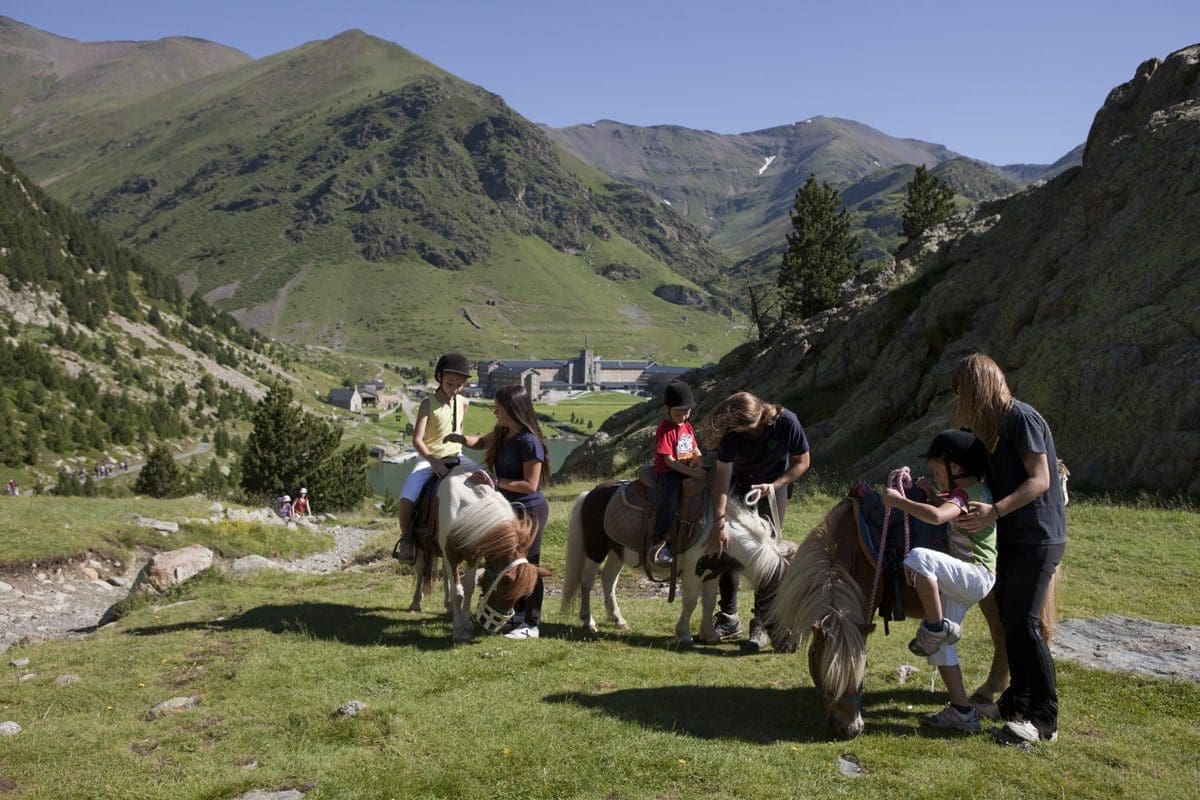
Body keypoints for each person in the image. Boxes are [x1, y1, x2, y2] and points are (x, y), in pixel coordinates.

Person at [953, 353, 1066, 745]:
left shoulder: (1023, 420)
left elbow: (1040, 479)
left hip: (1039, 535)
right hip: (1013, 536)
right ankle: (1016, 700)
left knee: (1025, 624)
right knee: (1009, 619)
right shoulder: (995, 429)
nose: (961, 405)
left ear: (977, 389)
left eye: (963, 395)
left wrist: (995, 510)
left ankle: (1045, 719)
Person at [880, 429, 997, 732]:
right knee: (943, 649)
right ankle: (962, 712)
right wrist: (934, 495)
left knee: (919, 557)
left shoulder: (961, 496)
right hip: (972, 579)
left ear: (955, 468)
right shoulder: (978, 490)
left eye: (937, 471)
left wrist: (898, 502)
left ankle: (935, 626)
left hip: (972, 574)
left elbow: (935, 517)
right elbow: (949, 507)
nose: (936, 476)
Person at [702, 391, 811, 652]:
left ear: (760, 417)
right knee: (727, 549)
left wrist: (774, 485)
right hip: (738, 486)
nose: (740, 434)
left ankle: (761, 622)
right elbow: (722, 480)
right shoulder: (731, 433)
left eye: (745, 429)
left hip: (773, 488)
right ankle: (728, 617)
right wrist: (719, 523)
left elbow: (803, 462)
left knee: (767, 557)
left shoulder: (788, 423)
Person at [446, 384, 550, 640]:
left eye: (499, 409)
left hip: (529, 511)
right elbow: (480, 442)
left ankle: (531, 623)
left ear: (514, 410)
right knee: (503, 564)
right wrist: (461, 439)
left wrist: (493, 481)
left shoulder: (530, 443)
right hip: (506, 508)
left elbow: (530, 485)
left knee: (527, 567)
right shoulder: (504, 432)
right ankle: (510, 613)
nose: (495, 413)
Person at [394, 352, 479, 564]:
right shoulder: (427, 404)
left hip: (457, 456)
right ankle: (407, 540)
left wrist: (460, 442)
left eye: (459, 385)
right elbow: (417, 440)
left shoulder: (464, 403)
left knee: (487, 481)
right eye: (450, 383)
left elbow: (459, 429)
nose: (454, 389)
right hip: (429, 459)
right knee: (407, 497)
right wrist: (433, 461)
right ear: (439, 377)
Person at [650, 381, 707, 567]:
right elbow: (669, 460)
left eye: (686, 412)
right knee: (670, 499)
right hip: (668, 472)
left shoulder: (687, 426)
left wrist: (702, 466)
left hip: (685, 468)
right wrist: (692, 472)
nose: (682, 417)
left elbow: (694, 449)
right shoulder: (665, 428)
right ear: (667, 409)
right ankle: (658, 540)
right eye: (677, 413)